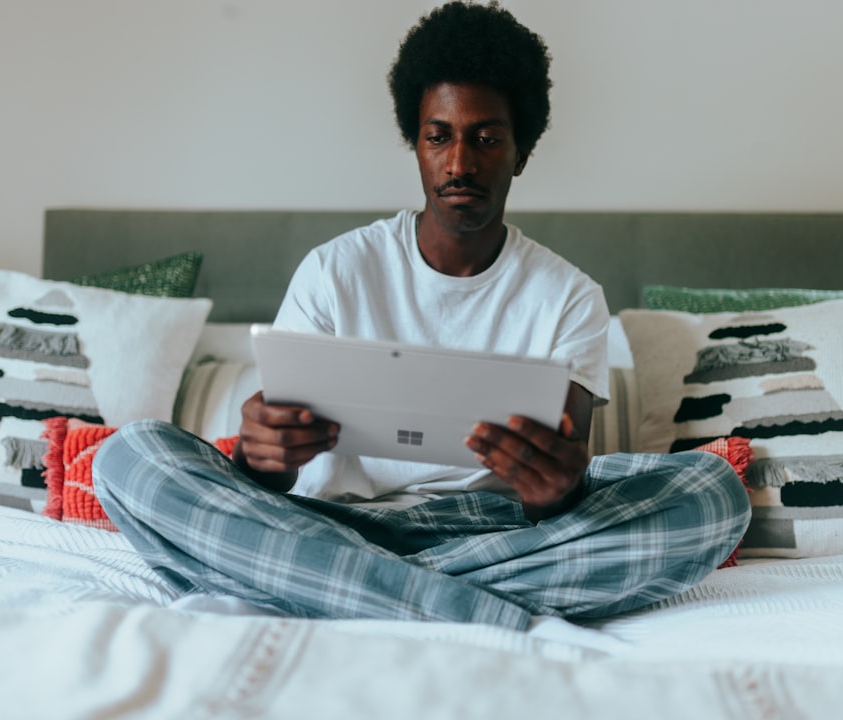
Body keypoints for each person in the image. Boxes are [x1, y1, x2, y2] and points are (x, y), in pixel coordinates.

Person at [93, 0, 750, 632]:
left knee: (714, 493)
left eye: (486, 139)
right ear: (416, 144)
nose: (460, 163)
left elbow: (558, 495)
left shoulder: (570, 297)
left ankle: (322, 586)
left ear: (521, 153)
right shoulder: (335, 271)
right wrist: (264, 458)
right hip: (329, 522)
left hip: (493, 535)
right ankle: (465, 609)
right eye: (439, 137)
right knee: (129, 457)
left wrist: (555, 488)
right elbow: (272, 476)